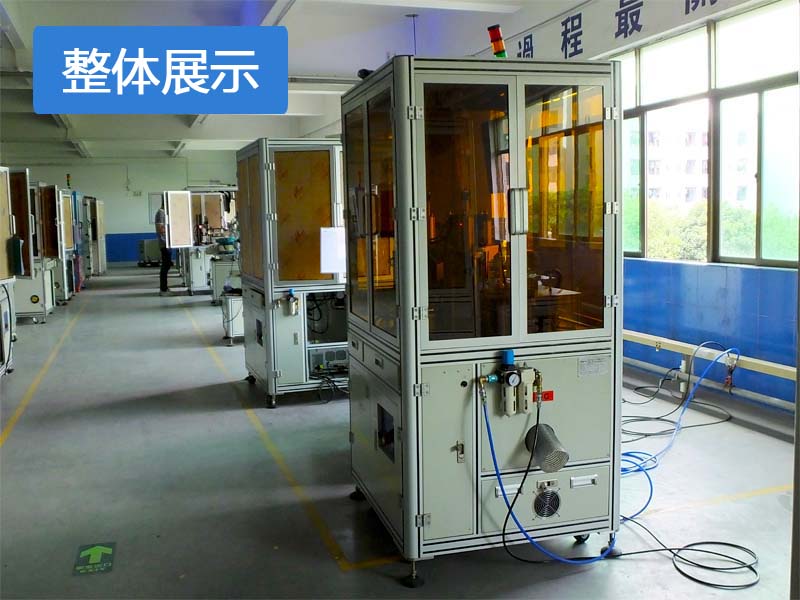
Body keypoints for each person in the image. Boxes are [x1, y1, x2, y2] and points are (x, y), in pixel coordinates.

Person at [154, 201, 173, 296]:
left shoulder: (163, 213)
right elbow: (160, 228)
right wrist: (172, 228)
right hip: (164, 243)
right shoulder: (160, 213)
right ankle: (163, 289)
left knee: (167, 265)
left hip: (168, 243)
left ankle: (164, 288)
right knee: (165, 266)